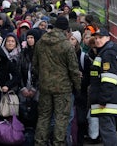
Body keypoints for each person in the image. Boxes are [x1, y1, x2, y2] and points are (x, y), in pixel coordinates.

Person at [33, 16, 81, 145]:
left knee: (43, 117)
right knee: (61, 119)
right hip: (63, 89)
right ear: (67, 30)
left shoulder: (40, 42)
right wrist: (78, 87)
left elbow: (35, 66)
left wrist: (43, 78)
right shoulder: (67, 46)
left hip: (44, 88)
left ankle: (40, 143)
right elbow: (74, 70)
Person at [89, 28, 117, 146]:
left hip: (106, 103)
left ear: (108, 38)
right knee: (107, 132)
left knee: (108, 132)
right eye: (96, 38)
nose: (97, 40)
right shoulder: (105, 51)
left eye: (100, 38)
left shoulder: (108, 54)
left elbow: (109, 79)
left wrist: (103, 99)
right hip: (107, 101)